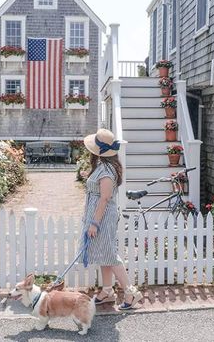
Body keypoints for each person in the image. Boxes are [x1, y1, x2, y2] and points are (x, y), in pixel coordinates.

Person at [80, 128, 143, 310]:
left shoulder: (107, 171)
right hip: (98, 216)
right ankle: (108, 290)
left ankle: (131, 292)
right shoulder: (103, 167)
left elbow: (105, 198)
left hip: (103, 218)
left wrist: (94, 223)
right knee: (104, 254)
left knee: (110, 255)